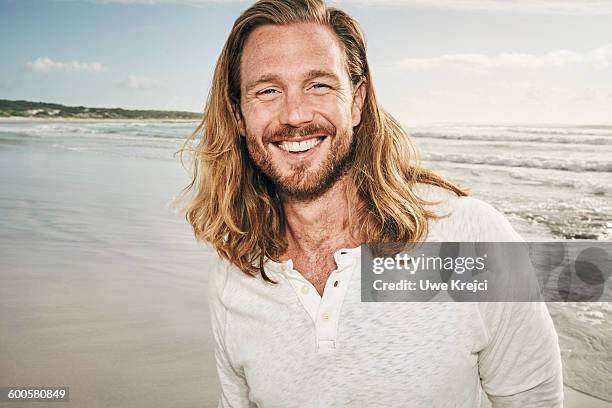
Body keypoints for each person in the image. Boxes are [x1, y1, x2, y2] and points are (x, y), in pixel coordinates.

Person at [180, 0, 563, 406]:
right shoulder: (234, 275)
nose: (294, 114)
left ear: (358, 100)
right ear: (239, 115)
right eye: (268, 91)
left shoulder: (469, 236)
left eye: (319, 85)